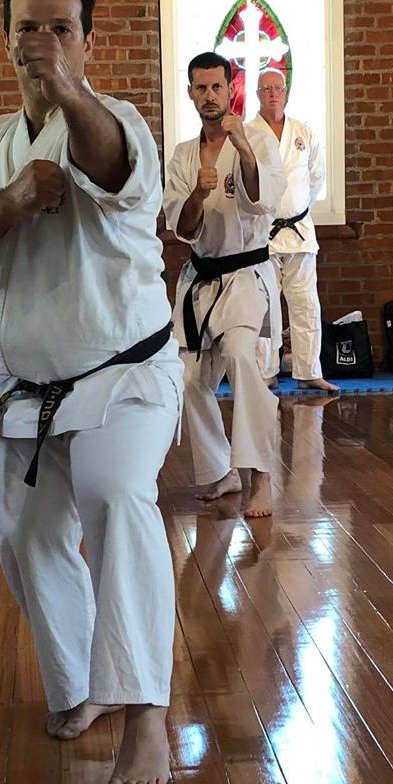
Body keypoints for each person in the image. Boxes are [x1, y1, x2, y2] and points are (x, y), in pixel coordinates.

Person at [0, 0, 182, 784]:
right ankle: (81, 682)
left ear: (88, 42)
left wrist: (67, 92)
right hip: (28, 386)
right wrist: (14, 200)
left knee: (115, 497)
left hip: (126, 372)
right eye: (28, 27)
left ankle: (146, 713)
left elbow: (111, 164)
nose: (43, 41)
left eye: (61, 28)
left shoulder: (115, 122)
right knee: (24, 537)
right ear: (5, 42)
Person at [166, 52, 284, 519]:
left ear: (230, 88)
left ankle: (261, 477)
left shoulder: (256, 138)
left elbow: (265, 203)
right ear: (191, 93)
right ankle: (223, 470)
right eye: (201, 88)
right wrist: (198, 192)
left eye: (217, 87)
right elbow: (183, 227)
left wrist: (245, 149)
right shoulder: (182, 155)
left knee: (240, 356)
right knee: (189, 379)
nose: (209, 96)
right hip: (201, 278)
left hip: (246, 275)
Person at [248, 68, 338, 392]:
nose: (273, 93)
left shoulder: (304, 132)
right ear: (257, 94)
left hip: (299, 230)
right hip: (263, 234)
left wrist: (293, 209)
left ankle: (308, 371)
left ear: (285, 92)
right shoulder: (248, 134)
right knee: (264, 307)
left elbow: (315, 178)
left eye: (277, 88)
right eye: (266, 88)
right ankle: (265, 371)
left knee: (306, 304)